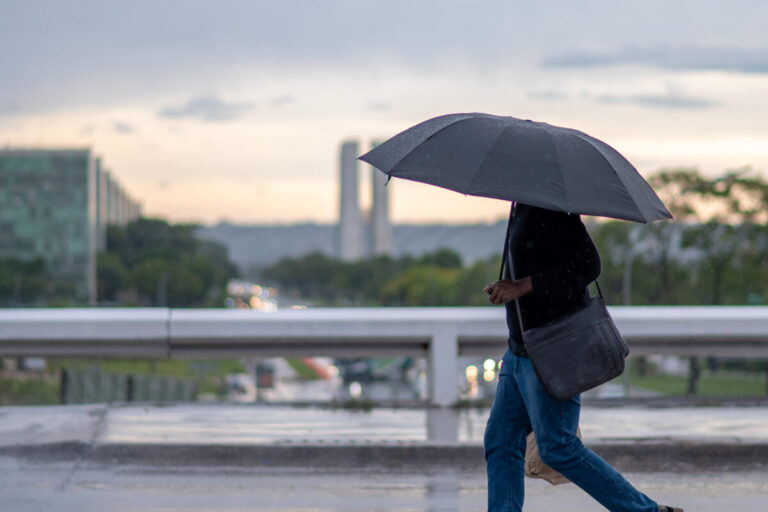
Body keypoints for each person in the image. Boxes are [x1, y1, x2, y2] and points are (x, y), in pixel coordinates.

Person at [483, 202, 683, 512]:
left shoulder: (549, 208)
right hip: (519, 349)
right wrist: (507, 287)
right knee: (501, 441)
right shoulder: (521, 204)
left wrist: (524, 286)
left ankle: (646, 511)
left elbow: (588, 265)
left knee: (559, 448)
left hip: (551, 349)